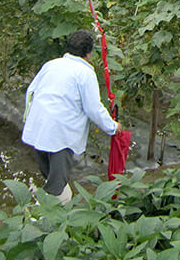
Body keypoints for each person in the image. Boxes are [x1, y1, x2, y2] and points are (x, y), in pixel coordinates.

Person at [22, 30, 120, 204]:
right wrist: (113, 127)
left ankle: (47, 210)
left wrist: (30, 119)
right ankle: (39, 219)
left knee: (51, 177)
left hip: (37, 128)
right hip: (61, 134)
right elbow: (93, 108)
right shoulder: (85, 73)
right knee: (56, 186)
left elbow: (31, 92)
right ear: (89, 54)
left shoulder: (51, 65)